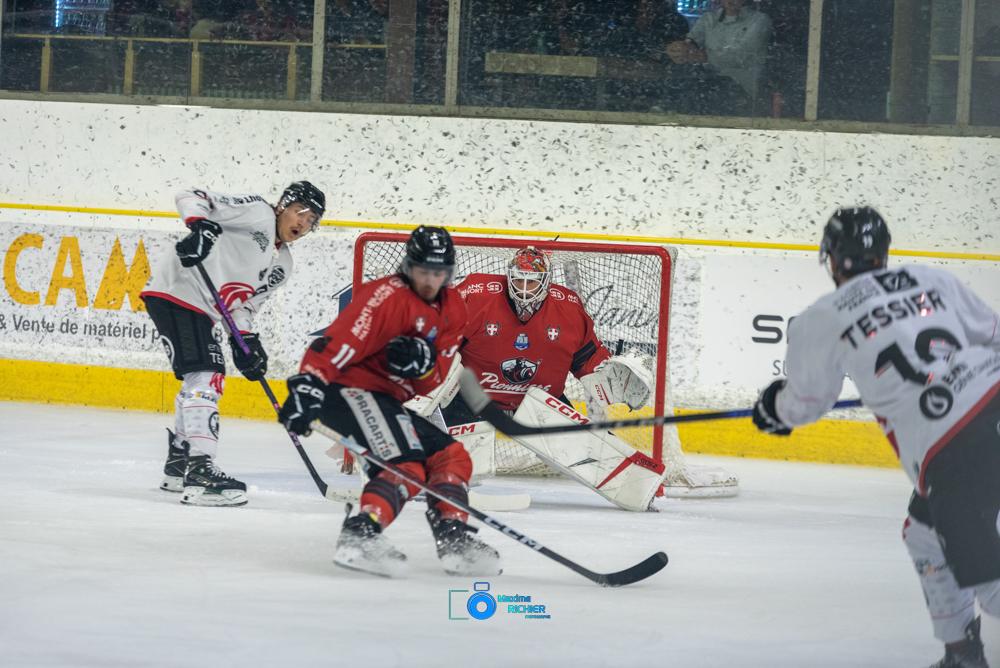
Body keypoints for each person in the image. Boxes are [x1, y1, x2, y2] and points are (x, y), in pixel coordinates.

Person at [751, 206, 1000, 668]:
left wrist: (772, 409)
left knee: (987, 576)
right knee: (924, 534)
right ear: (883, 252)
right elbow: (993, 335)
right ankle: (962, 653)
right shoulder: (930, 278)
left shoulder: (822, 317)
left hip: (955, 445)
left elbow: (807, 402)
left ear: (831, 258)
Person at [276, 226, 500, 577]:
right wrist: (308, 388)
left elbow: (432, 381)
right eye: (423, 271)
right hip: (346, 392)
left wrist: (422, 365)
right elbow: (335, 345)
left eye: (439, 273)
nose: (430, 281)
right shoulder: (385, 297)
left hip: (385, 401)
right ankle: (361, 534)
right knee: (404, 465)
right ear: (409, 267)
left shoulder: (454, 309)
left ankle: (453, 536)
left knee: (451, 456)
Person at [441, 246, 738, 506]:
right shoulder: (474, 295)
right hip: (473, 396)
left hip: (540, 399)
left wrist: (610, 379)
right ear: (508, 276)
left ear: (547, 282)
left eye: (532, 282)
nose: (524, 288)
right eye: (519, 280)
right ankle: (432, 475)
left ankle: (637, 488)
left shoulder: (568, 308)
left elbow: (587, 359)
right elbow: (439, 342)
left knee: (586, 450)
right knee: (457, 456)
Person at [141, 181, 326, 507]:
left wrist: (246, 341)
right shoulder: (257, 212)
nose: (303, 223)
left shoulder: (283, 264)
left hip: (201, 310)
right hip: (178, 292)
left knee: (201, 377)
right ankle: (200, 472)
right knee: (206, 375)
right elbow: (192, 196)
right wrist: (199, 226)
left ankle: (180, 463)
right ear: (283, 205)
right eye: (300, 212)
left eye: (311, 220)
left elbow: (244, 306)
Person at [665, 0, 772, 114]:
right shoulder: (708, 18)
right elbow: (691, 42)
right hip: (706, 85)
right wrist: (678, 49)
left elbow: (740, 56)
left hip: (742, 92)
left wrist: (702, 56)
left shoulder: (759, 20)